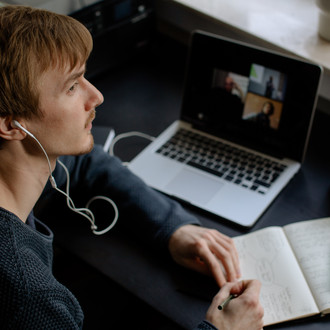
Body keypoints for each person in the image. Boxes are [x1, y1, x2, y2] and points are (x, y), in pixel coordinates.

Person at [0, 5, 264, 329]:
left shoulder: (18, 164)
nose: (96, 96)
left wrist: (171, 227)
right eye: (71, 87)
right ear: (11, 125)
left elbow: (87, 163)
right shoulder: (30, 295)